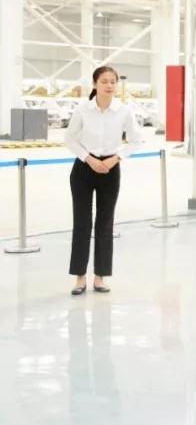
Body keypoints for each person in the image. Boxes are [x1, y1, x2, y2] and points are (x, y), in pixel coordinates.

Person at [64, 65, 143, 295]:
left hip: (110, 168)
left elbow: (136, 140)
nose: (109, 86)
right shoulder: (83, 109)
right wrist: (89, 159)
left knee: (105, 223)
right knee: (82, 222)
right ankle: (80, 278)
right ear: (95, 84)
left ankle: (100, 277)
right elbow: (70, 139)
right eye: (104, 81)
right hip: (84, 168)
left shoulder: (124, 111)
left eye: (112, 82)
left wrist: (115, 158)